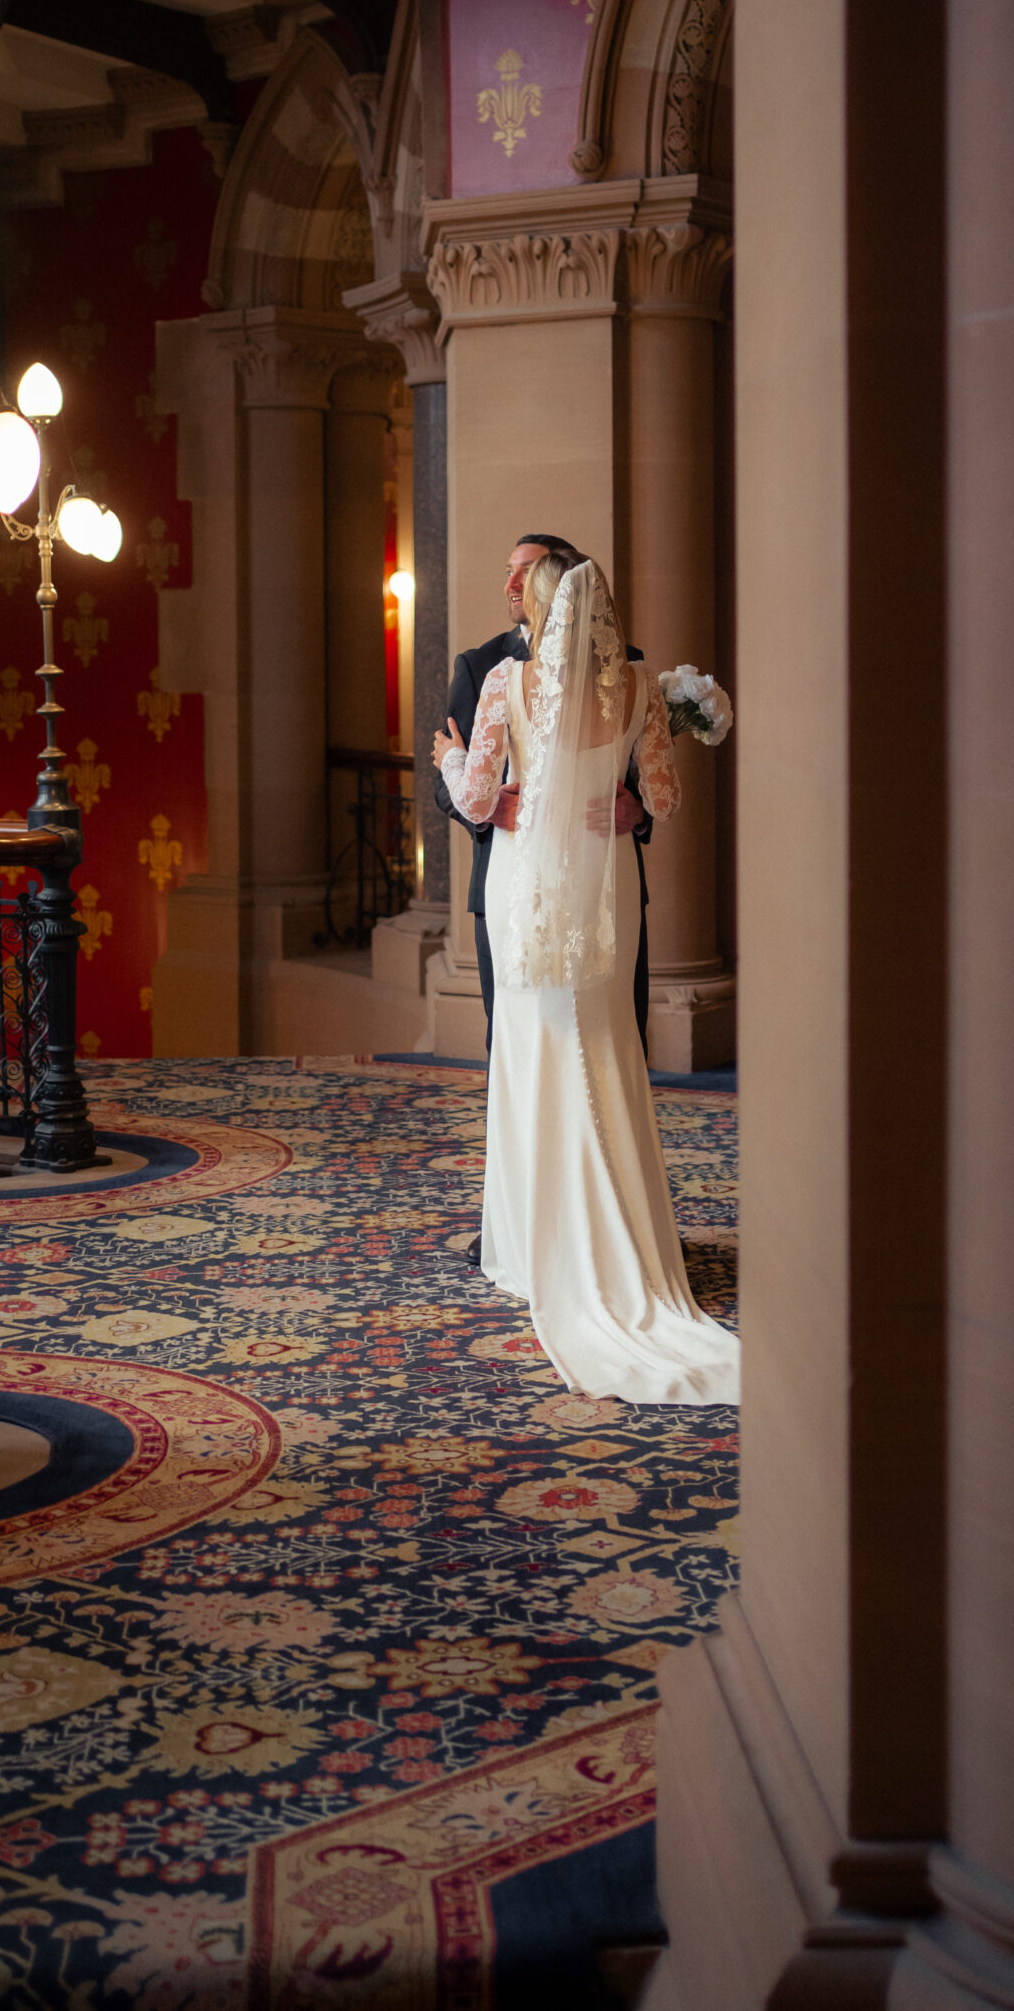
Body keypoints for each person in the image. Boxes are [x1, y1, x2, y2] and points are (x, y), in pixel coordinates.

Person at [434, 556, 739, 1405]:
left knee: (534, 1047)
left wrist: (448, 758)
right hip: (603, 881)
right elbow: (665, 798)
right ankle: (621, 1243)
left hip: (527, 883)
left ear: (538, 612)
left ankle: (537, 1248)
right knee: (603, 1042)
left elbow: (478, 799)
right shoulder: (639, 685)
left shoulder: (505, 680)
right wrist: (632, 803)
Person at [435, 533, 650, 1052]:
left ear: (563, 580)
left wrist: (637, 812)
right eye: (508, 571)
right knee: (519, 1041)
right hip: (512, 883)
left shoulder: (627, 664)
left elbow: (640, 779)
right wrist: (488, 813)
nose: (511, 584)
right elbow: (454, 795)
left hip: (607, 876)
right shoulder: (481, 664)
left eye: (525, 572)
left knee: (613, 1035)